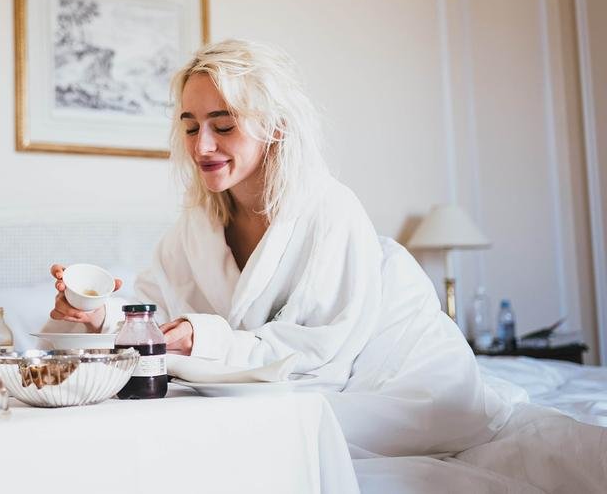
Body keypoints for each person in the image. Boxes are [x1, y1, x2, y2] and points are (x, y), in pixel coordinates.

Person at [45, 39, 511, 458]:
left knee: (298, 431)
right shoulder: (196, 226)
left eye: (223, 125)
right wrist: (101, 315)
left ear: (276, 127)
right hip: (262, 380)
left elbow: (318, 356)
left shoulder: (329, 210)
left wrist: (204, 338)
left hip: (384, 365)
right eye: (190, 128)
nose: (202, 146)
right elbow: (156, 315)